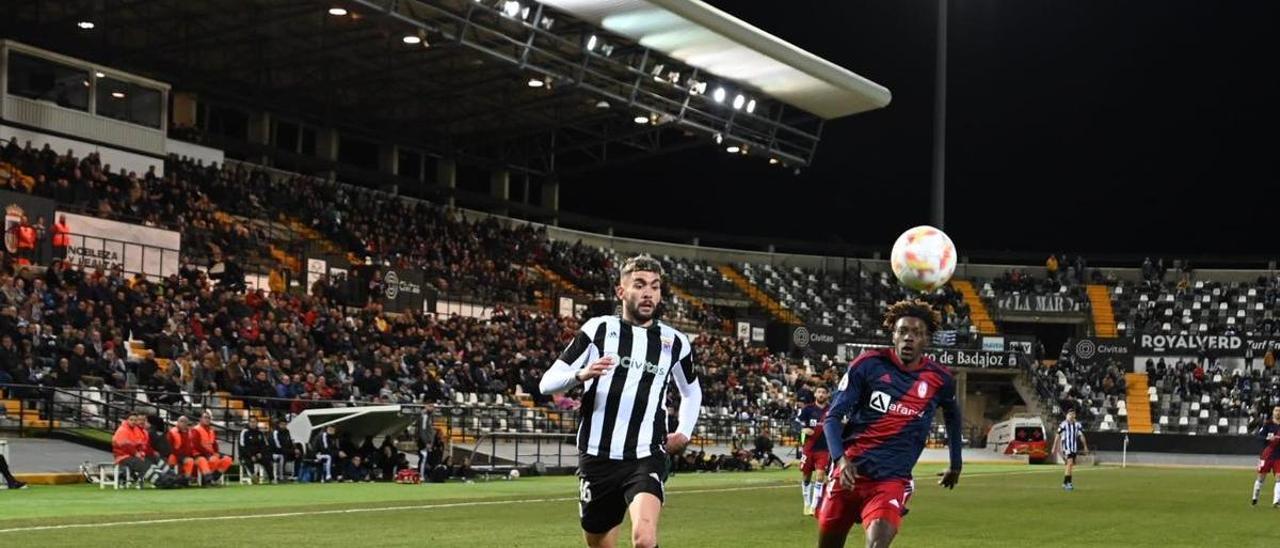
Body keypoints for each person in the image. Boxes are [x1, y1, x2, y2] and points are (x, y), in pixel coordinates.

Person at [539, 254, 702, 548]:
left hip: (645, 453)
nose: (648, 292)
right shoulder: (598, 330)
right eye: (639, 285)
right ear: (621, 292)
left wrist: (685, 431)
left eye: (655, 286)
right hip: (597, 457)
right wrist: (582, 373)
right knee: (600, 542)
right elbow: (546, 382)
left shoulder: (675, 341)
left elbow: (691, 391)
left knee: (644, 538)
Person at [818, 300, 963, 548]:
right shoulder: (868, 365)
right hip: (849, 474)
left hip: (890, 481)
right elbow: (832, 417)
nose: (909, 338)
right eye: (903, 331)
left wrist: (956, 464)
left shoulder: (940, 379)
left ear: (926, 340)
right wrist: (841, 460)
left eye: (916, 333)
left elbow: (953, 417)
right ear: (893, 335)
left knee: (877, 544)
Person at [797, 386, 832, 516]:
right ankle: (806, 503)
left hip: (824, 449)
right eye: (819, 392)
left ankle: (813, 506)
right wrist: (803, 429)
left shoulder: (831, 410)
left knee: (820, 476)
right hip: (809, 448)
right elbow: (796, 423)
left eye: (824, 392)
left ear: (827, 395)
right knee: (806, 477)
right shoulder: (808, 409)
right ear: (815, 394)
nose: (821, 394)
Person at [111, 411, 161, 485]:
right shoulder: (123, 430)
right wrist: (137, 453)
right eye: (131, 420)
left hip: (131, 456)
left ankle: (166, 478)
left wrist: (141, 453)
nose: (133, 422)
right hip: (122, 457)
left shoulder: (134, 430)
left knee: (150, 461)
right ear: (126, 420)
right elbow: (126, 446)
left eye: (135, 420)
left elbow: (140, 445)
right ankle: (160, 481)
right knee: (142, 464)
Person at [1050, 409, 1089, 492]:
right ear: (1067, 415)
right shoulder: (1063, 424)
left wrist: (1085, 446)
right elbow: (1057, 435)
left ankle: (1065, 482)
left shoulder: (1078, 425)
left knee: (1070, 465)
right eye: (1070, 414)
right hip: (1066, 447)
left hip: (1074, 448)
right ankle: (1069, 483)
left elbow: (1081, 436)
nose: (1071, 416)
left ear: (1075, 415)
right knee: (1070, 463)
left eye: (1073, 414)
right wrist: (1054, 446)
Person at [191, 412, 233, 485]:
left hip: (210, 454)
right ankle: (207, 480)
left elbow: (214, 444)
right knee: (212, 460)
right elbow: (196, 445)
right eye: (205, 417)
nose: (207, 419)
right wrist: (209, 454)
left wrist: (216, 452)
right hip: (199, 454)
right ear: (200, 419)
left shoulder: (211, 430)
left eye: (208, 418)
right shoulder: (196, 429)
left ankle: (213, 478)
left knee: (228, 459)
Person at [1251, 406, 1280, 507]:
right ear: (1273, 412)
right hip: (1267, 455)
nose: (1278, 413)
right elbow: (1259, 436)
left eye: (1279, 411)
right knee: (1260, 478)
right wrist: (1268, 438)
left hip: (1278, 456)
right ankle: (1255, 497)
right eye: (1276, 410)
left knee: (1279, 478)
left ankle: (1276, 501)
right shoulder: (1268, 424)